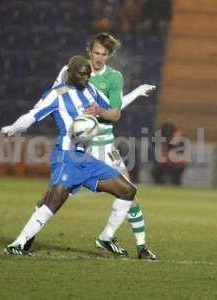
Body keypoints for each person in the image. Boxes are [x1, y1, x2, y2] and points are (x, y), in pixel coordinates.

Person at [25, 33, 156, 259]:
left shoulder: (114, 77)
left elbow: (115, 111)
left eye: (104, 55)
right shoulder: (72, 71)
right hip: (78, 146)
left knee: (129, 192)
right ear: (89, 51)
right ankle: (27, 237)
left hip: (105, 144)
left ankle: (137, 246)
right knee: (55, 193)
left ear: (109, 56)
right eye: (96, 53)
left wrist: (111, 105)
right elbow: (54, 97)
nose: (99, 58)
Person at [1, 55, 142, 256]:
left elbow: (113, 109)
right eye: (81, 74)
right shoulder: (56, 94)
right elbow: (32, 115)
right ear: (70, 73)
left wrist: (132, 94)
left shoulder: (91, 90)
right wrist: (13, 128)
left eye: (88, 75)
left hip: (87, 159)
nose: (86, 78)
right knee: (54, 200)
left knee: (128, 190)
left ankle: (105, 237)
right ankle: (18, 243)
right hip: (67, 157)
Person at [152, 120, 188, 185]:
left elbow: (181, 156)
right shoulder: (160, 137)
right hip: (165, 163)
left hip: (177, 164)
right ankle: (160, 186)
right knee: (155, 171)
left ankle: (176, 185)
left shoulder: (180, 139)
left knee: (176, 174)